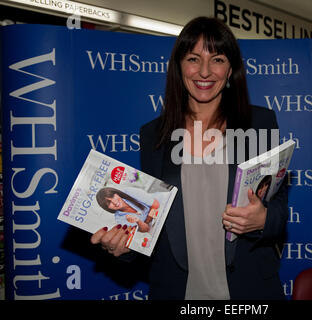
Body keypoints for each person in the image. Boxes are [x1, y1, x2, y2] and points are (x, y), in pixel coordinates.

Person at [91, 16, 289, 300]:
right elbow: (153, 221)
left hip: (250, 290)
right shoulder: (153, 135)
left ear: (230, 68)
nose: (205, 72)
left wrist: (263, 220)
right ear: (179, 67)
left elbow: (279, 209)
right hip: (178, 292)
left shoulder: (259, 123)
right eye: (193, 59)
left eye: (217, 59)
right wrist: (125, 247)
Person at [96, 187, 161, 233]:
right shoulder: (120, 219)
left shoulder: (128, 191)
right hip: (155, 223)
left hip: (162, 204)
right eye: (109, 203)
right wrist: (138, 221)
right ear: (108, 208)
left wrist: (147, 221)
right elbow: (146, 229)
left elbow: (156, 204)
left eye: (112, 196)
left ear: (116, 193)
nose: (114, 202)